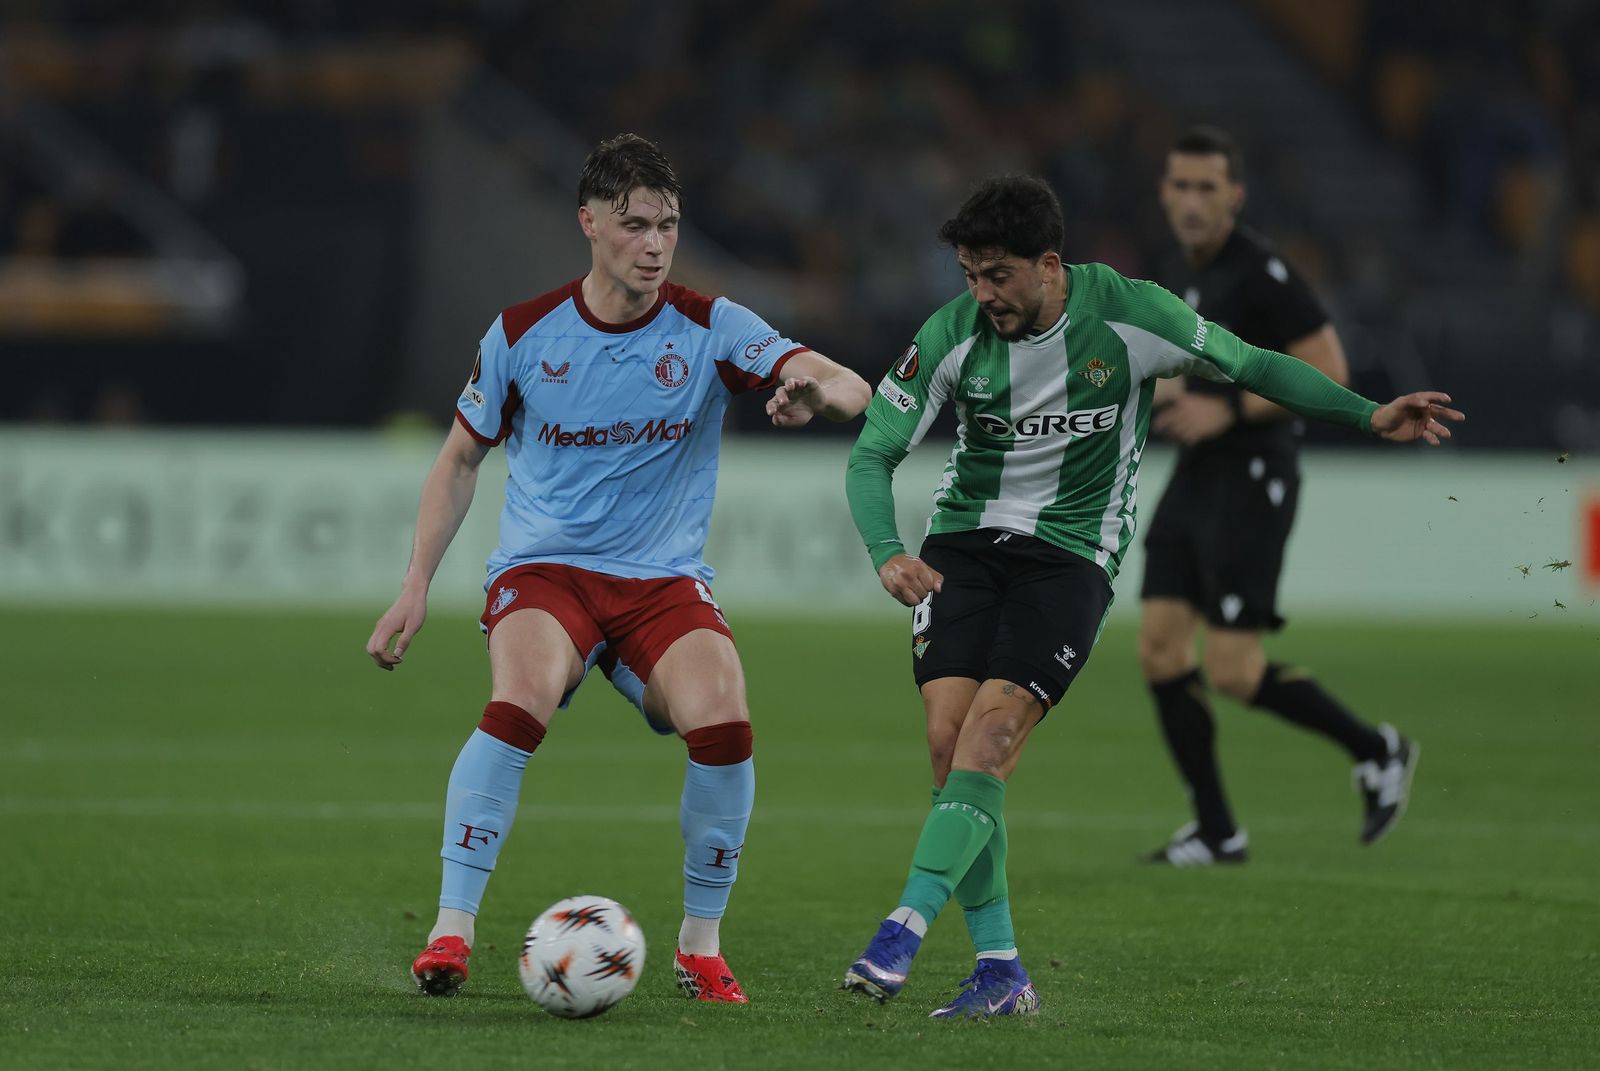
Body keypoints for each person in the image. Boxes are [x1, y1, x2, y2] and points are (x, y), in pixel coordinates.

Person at [838, 175, 1461, 1018]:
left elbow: (1252, 363)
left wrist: (1366, 413)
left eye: (997, 276)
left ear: (1049, 265)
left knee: (990, 738)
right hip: (964, 548)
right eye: (970, 275)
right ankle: (1001, 970)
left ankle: (902, 928)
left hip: (1070, 556)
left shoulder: (1134, 316)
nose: (981, 294)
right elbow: (872, 453)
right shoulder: (951, 334)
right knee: (951, 750)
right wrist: (886, 552)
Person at [366, 133, 870, 1003]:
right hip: (547, 569)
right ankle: (452, 930)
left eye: (668, 225)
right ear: (589, 223)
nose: (655, 243)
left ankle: (699, 947)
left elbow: (844, 380)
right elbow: (457, 460)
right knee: (520, 695)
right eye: (636, 225)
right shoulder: (524, 333)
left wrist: (814, 390)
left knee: (723, 714)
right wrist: (414, 582)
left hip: (660, 580)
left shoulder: (711, 326)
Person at [1137, 126, 1417, 866]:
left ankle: (1377, 747)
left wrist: (1225, 410)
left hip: (1253, 474)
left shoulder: (1261, 270)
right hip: (1197, 472)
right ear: (1164, 193)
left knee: (1231, 668)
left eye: (1207, 187)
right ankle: (1217, 828)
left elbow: (1328, 364)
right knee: (1160, 647)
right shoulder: (1181, 271)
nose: (1193, 201)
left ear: (1235, 195)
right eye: (1181, 185)